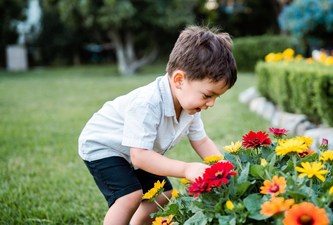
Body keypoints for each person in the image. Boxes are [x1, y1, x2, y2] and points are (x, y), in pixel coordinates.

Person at [78, 25, 237, 225]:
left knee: (163, 194)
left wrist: (222, 167)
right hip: (103, 144)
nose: (211, 103)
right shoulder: (148, 103)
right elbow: (140, 156)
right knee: (130, 196)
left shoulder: (190, 107)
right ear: (179, 79)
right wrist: (187, 169)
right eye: (208, 95)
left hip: (137, 150)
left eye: (216, 97)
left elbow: (201, 140)